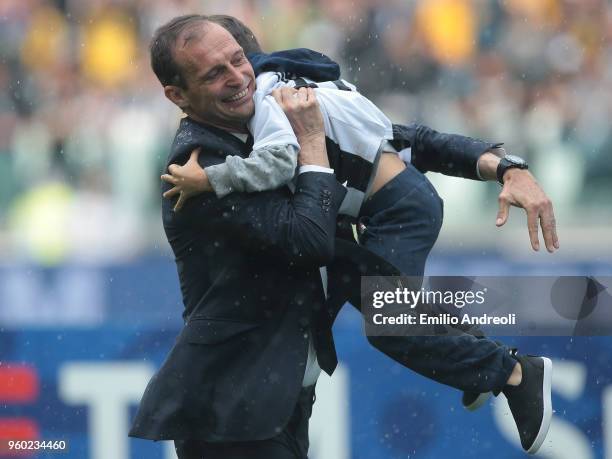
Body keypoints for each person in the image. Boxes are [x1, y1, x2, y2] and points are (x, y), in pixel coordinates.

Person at [130, 15, 554, 457]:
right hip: (231, 408)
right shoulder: (198, 168)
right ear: (177, 95)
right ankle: (500, 370)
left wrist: (508, 167)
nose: (238, 79)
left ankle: (494, 368)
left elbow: (402, 138)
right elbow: (309, 241)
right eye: (214, 73)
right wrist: (309, 145)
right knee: (386, 310)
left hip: (273, 399)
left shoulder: (281, 109)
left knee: (387, 309)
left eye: (238, 62)